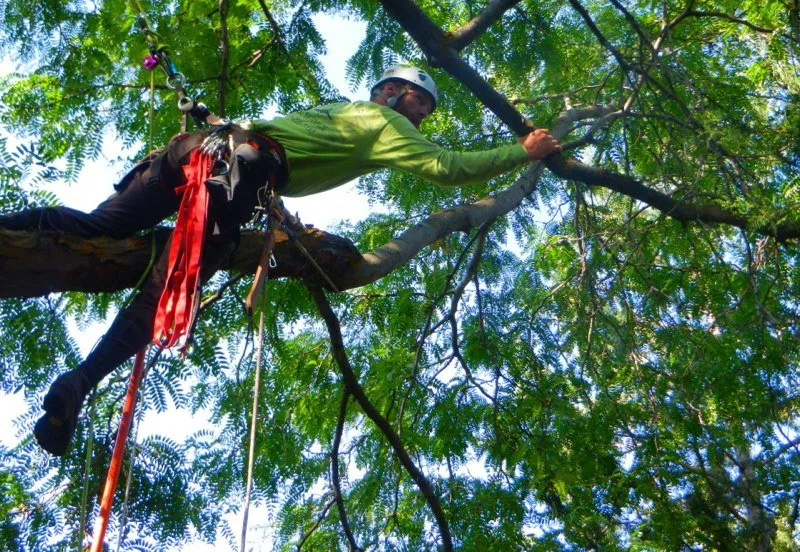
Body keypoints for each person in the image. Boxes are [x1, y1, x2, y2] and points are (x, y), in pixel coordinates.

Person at [0, 64, 561, 456]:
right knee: (175, 284)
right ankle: (82, 379)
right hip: (234, 171)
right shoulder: (386, 125)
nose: (421, 119)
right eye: (419, 103)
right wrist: (523, 151)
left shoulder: (334, 112)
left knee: (95, 227)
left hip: (194, 152)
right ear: (391, 92)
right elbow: (448, 169)